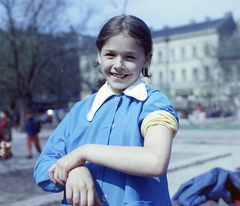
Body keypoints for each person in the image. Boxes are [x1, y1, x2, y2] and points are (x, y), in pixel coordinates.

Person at [34, 15, 179, 206]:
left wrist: (83, 153)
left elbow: (156, 160)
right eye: (110, 54)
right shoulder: (80, 110)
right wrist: (74, 171)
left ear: (146, 60)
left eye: (130, 57)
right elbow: (43, 168)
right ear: (99, 54)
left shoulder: (153, 103)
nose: (118, 64)